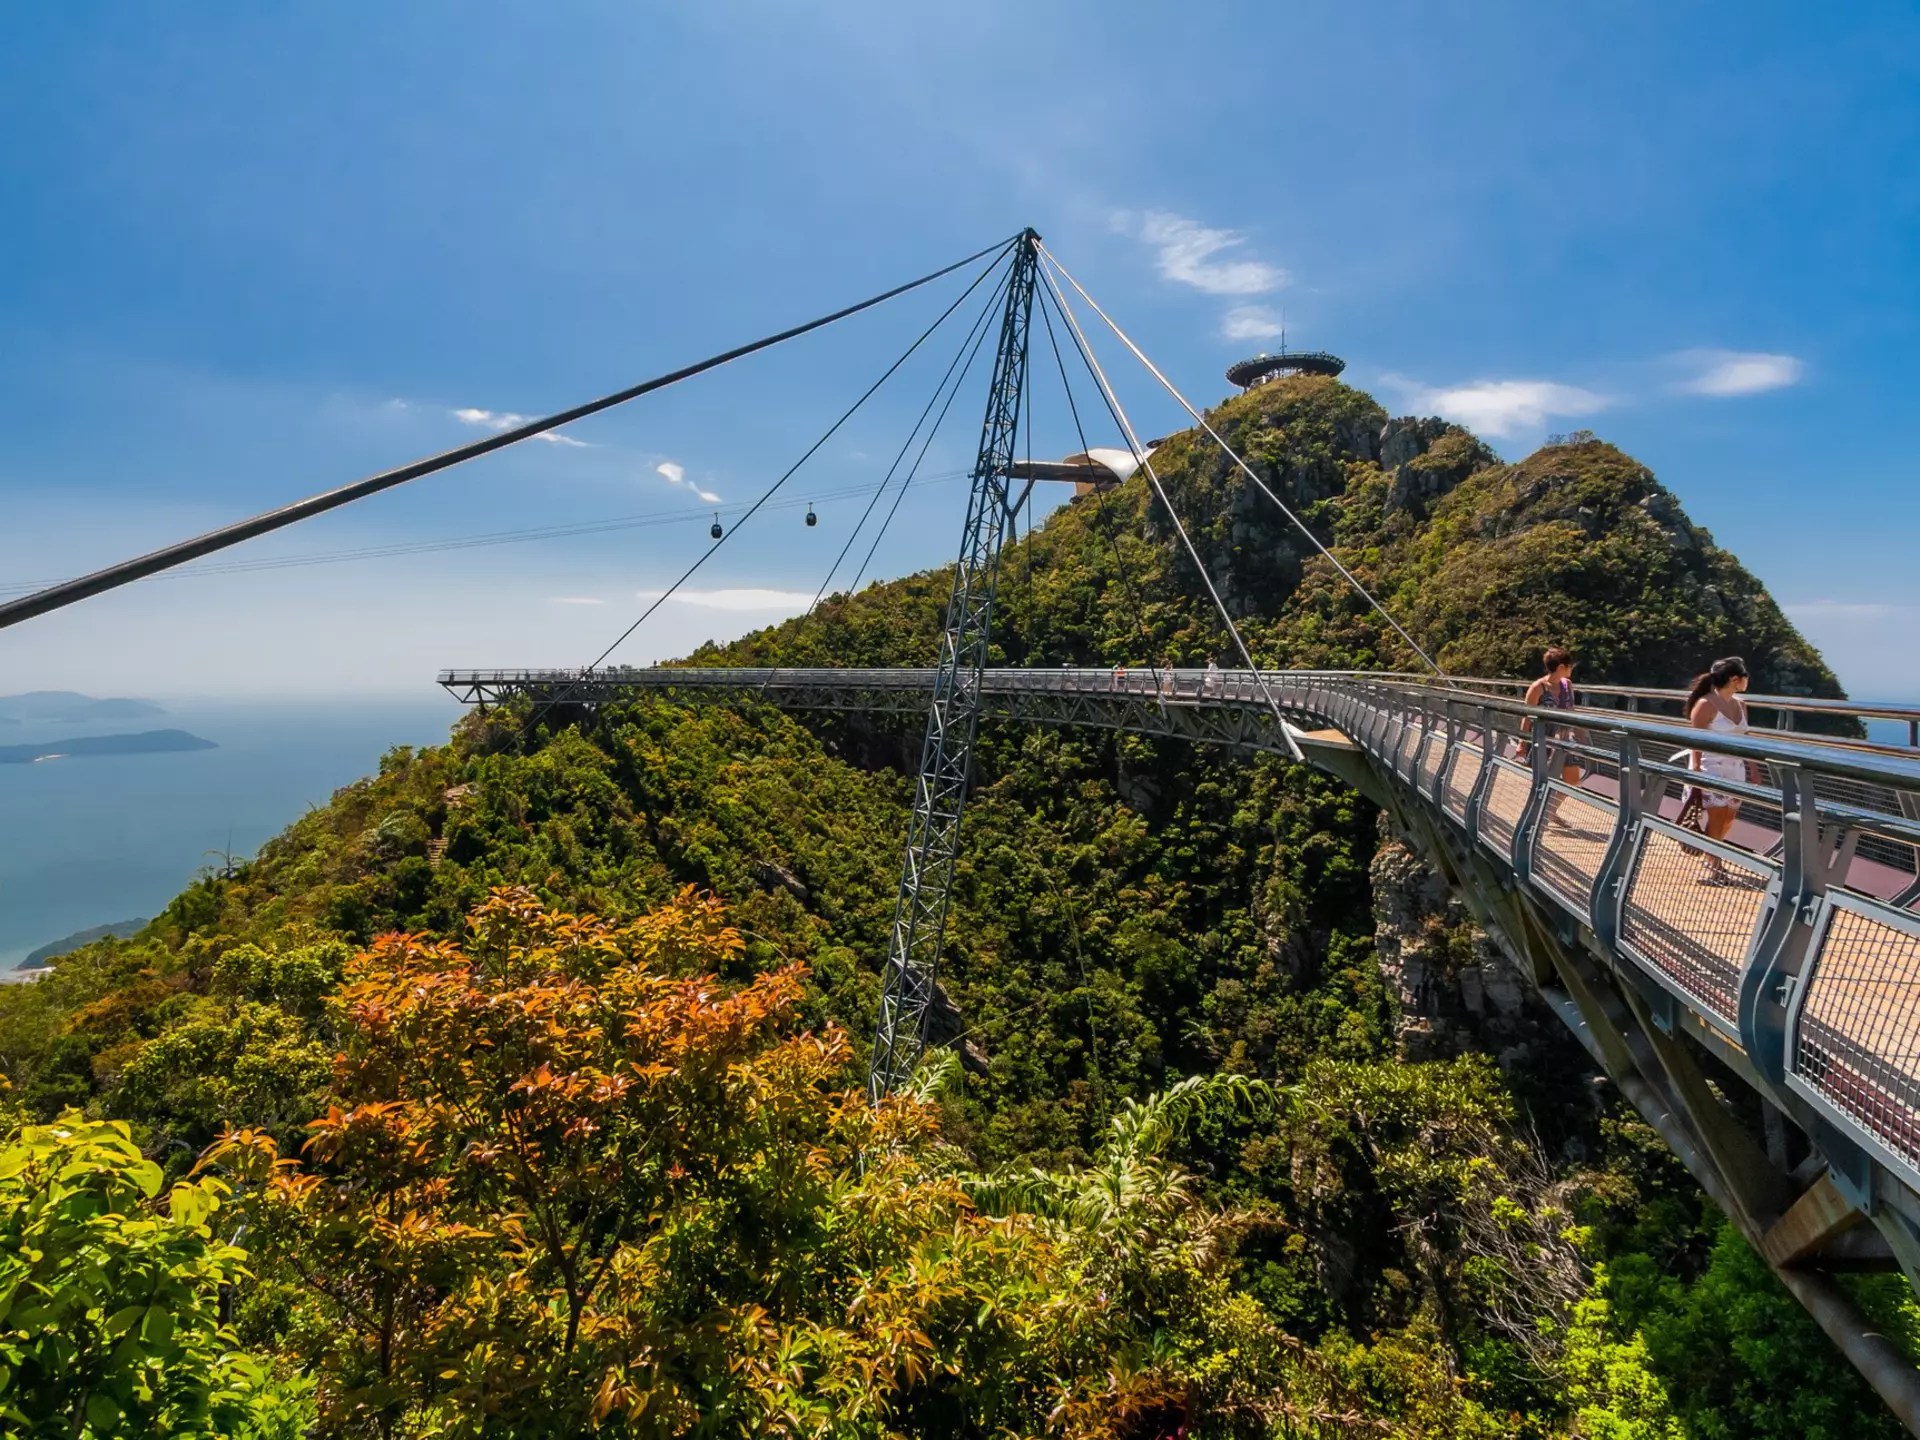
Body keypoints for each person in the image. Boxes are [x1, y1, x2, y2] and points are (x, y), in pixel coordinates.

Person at [1684, 656, 1752, 883]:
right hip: (1710, 766)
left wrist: (1754, 768)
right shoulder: (1705, 704)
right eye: (1745, 677)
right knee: (1716, 816)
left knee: (1728, 817)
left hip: (1736, 768)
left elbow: (1747, 738)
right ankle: (1716, 867)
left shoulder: (1741, 704)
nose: (1747, 681)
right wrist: (1696, 770)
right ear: (1734, 679)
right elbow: (1695, 740)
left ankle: (1711, 854)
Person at [1521, 647, 1583, 785]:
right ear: (1561, 667)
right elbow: (1527, 716)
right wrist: (1522, 743)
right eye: (1569, 666)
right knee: (1542, 784)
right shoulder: (1538, 687)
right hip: (1543, 739)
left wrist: (1579, 733)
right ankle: (1545, 799)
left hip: (1566, 738)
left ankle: (1553, 801)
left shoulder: (1567, 684)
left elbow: (1571, 710)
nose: (1571, 669)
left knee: (1572, 782)